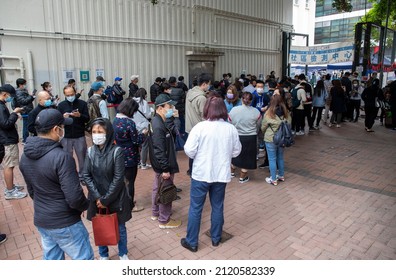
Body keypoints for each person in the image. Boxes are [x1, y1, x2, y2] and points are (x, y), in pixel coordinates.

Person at [19, 109, 94, 260]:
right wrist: (85, 205)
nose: (63, 130)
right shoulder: (62, 157)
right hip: (65, 221)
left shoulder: (25, 156)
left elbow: (32, 191)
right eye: (62, 126)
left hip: (42, 219)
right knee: (84, 259)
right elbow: (74, 197)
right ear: (55, 129)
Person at [180, 95, 241, 252]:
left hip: (201, 174)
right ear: (223, 110)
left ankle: (192, 241)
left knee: (195, 208)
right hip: (221, 174)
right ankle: (216, 238)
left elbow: (189, 150)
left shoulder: (200, 128)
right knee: (217, 206)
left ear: (207, 109)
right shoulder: (231, 129)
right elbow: (236, 151)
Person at [83, 118, 132, 260]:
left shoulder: (117, 151)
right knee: (100, 226)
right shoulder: (90, 151)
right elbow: (86, 175)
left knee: (120, 228)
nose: (96, 134)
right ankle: (103, 254)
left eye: (100, 131)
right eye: (93, 132)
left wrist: (106, 199)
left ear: (108, 133)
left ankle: (123, 253)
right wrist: (98, 197)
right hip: (96, 197)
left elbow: (118, 178)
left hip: (116, 197)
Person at [149, 94, 181, 229]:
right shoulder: (158, 125)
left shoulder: (159, 121)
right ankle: (164, 220)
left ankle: (156, 212)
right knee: (166, 191)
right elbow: (159, 149)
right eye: (169, 106)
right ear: (160, 108)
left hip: (160, 165)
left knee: (158, 188)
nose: (171, 109)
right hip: (163, 165)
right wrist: (165, 169)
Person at [113, 98, 148, 213]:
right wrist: (143, 134)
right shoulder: (129, 123)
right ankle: (129, 205)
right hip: (130, 155)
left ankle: (122, 202)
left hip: (118, 154)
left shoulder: (115, 120)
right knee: (130, 181)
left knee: (121, 180)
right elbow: (136, 141)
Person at [57, 86, 90, 181]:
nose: (70, 96)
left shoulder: (82, 104)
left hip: (79, 134)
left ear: (75, 93)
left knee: (82, 156)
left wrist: (79, 115)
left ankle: (83, 176)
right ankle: (69, 176)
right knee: (67, 158)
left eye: (72, 94)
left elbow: (87, 118)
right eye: (68, 95)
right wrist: (63, 118)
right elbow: (58, 121)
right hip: (66, 136)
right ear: (64, 95)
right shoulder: (61, 105)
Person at [0, 84, 27, 200]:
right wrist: (14, 113)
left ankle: (11, 187)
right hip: (7, 140)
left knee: (9, 165)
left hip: (7, 138)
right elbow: (5, 124)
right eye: (10, 96)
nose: (10, 98)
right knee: (9, 166)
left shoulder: (2, 105)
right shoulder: (0, 107)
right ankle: (10, 191)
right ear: (4, 94)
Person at [229, 92, 261, 183]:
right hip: (250, 137)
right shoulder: (256, 112)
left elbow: (230, 122)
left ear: (242, 99)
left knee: (235, 154)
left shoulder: (234, 110)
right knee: (247, 157)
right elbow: (258, 125)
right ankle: (242, 177)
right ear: (251, 101)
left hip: (237, 135)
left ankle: (231, 172)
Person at [261, 93, 291, 186]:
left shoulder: (269, 112)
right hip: (282, 138)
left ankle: (273, 179)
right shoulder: (286, 112)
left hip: (271, 138)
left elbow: (263, 127)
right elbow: (289, 124)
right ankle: (281, 175)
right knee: (280, 157)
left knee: (272, 159)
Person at [185, 73, 211, 174]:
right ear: (204, 84)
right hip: (199, 128)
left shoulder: (190, 92)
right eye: (208, 84)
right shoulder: (201, 98)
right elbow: (204, 116)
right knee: (200, 153)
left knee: (192, 151)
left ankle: (191, 169)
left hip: (190, 127)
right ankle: (195, 171)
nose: (209, 86)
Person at [133, 88, 152, 169]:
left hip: (134, 126)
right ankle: (143, 164)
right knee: (144, 145)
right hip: (143, 126)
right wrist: (151, 110)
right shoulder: (143, 102)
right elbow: (148, 115)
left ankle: (137, 163)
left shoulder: (132, 101)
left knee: (136, 145)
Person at [14, 78, 35, 144]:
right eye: (24, 84)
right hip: (25, 111)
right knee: (26, 125)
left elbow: (27, 100)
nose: (25, 85)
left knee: (28, 124)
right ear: (20, 85)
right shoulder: (18, 92)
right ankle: (25, 139)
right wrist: (31, 97)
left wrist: (32, 97)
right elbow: (23, 101)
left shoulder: (24, 90)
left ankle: (27, 138)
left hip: (28, 109)